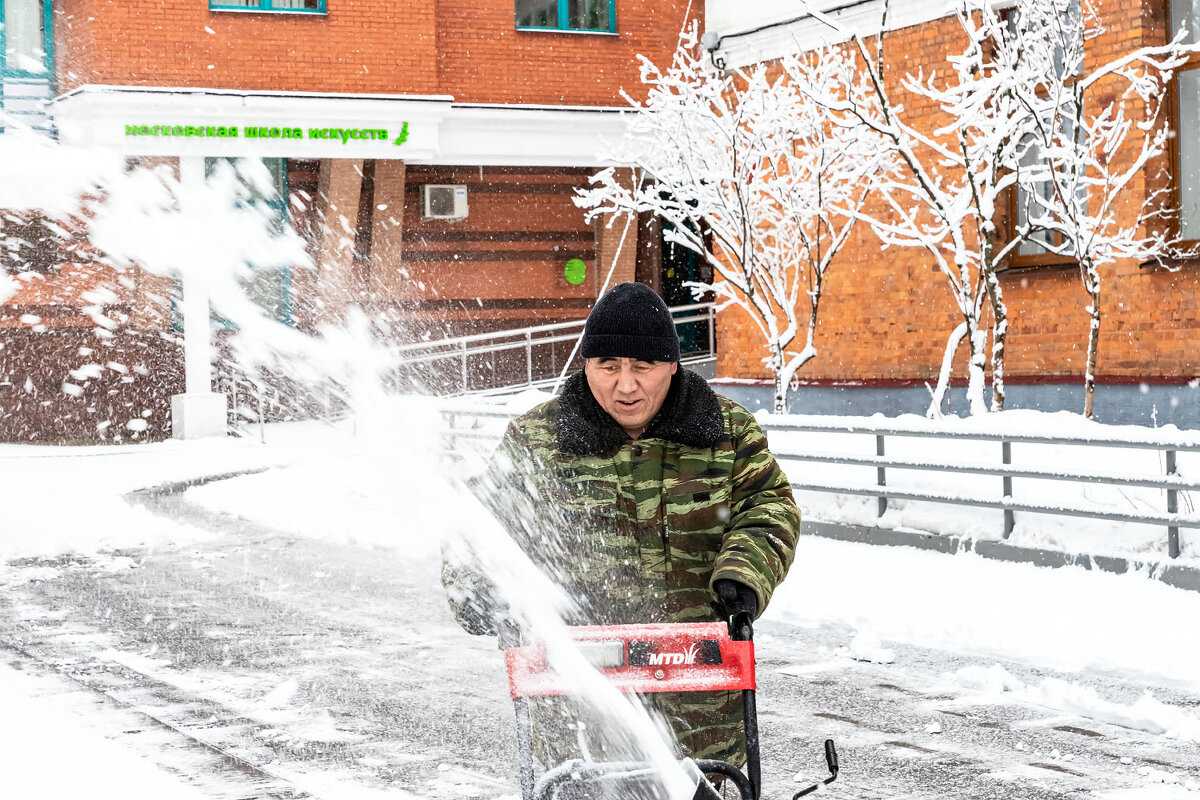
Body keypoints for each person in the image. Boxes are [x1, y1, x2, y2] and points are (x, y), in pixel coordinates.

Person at [443, 281, 801, 768]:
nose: (625, 385)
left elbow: (769, 505)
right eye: (608, 367)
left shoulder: (724, 433)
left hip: (701, 711)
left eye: (642, 367)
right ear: (586, 365)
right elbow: (476, 530)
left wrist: (745, 571)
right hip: (580, 710)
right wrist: (486, 591)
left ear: (672, 365)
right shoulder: (539, 440)